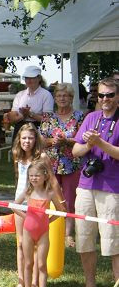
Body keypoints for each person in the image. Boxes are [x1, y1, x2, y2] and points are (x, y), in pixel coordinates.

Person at [70, 76, 119, 287]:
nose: (105, 99)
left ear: (118, 97)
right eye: (101, 95)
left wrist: (100, 143)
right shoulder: (91, 118)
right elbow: (76, 151)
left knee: (113, 242)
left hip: (113, 188)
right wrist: (89, 145)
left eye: (110, 95)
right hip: (86, 186)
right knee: (84, 238)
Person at [40, 83, 86, 248]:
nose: (62, 98)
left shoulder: (80, 116)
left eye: (65, 95)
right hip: (50, 165)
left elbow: (83, 140)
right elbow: (41, 140)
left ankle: (68, 234)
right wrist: (53, 141)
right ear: (55, 98)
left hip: (72, 164)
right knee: (49, 197)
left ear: (71, 98)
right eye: (59, 95)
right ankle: (48, 229)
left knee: (69, 199)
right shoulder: (48, 117)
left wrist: (67, 141)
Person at [15, 159, 63, 287]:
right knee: (28, 263)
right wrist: (26, 216)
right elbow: (14, 206)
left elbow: (61, 211)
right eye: (31, 175)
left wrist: (48, 221)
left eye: (37, 175)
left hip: (43, 232)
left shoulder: (50, 193)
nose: (34, 178)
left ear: (45, 176)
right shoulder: (28, 192)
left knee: (42, 265)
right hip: (28, 230)